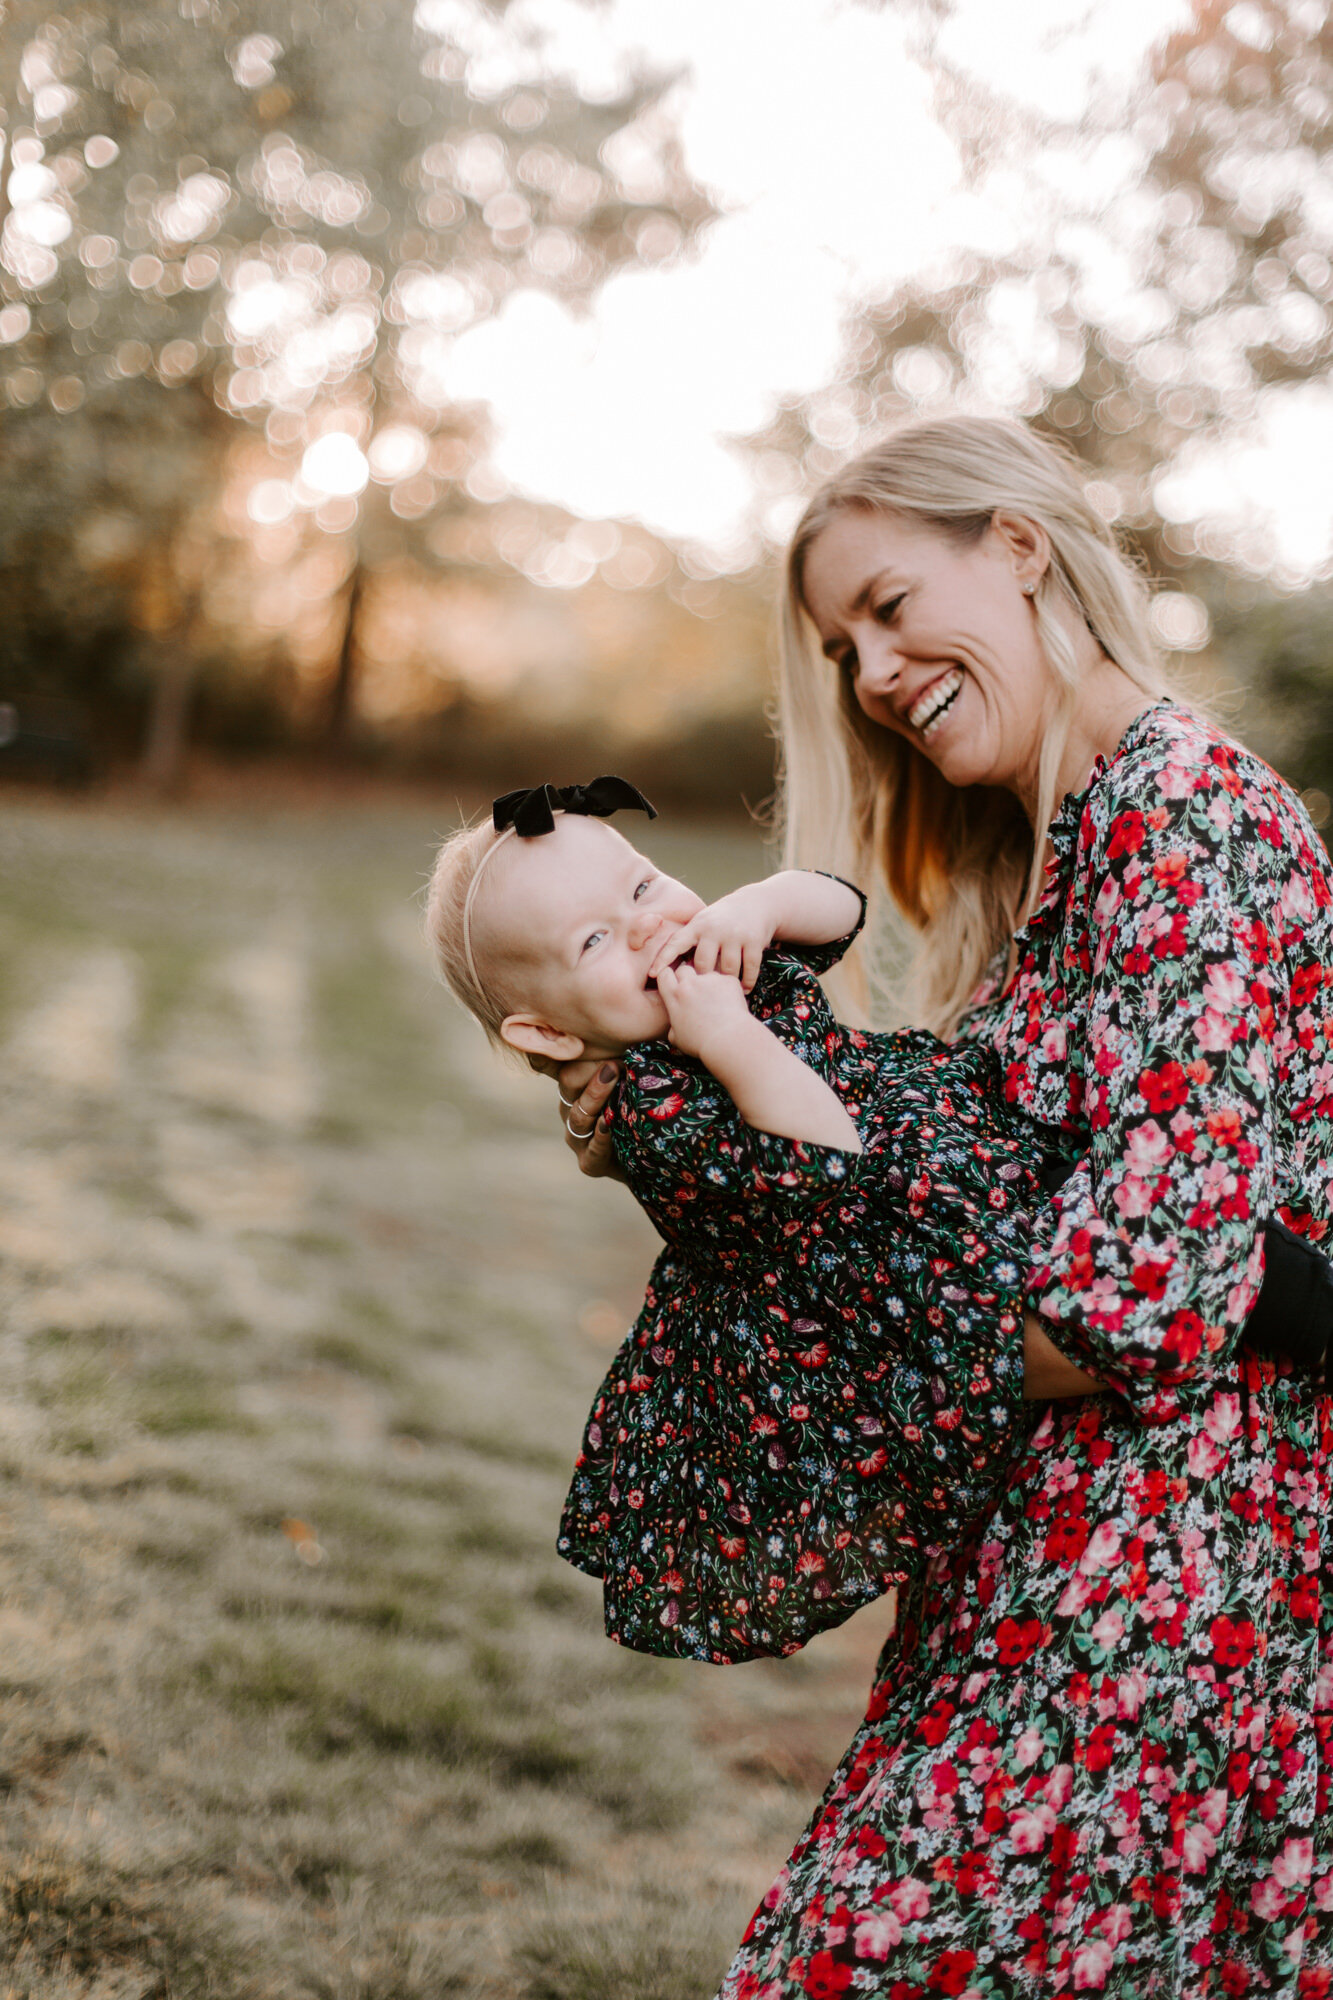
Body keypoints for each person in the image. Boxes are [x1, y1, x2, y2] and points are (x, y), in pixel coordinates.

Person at [558, 417, 1333, 1996]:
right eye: (846, 646)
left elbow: (1157, 1286)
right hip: (1059, 1547)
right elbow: (959, 1181)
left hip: (1170, 1576)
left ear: (1022, 548)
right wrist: (681, 1112)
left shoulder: (1189, 813)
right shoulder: (1067, 846)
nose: (874, 671)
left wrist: (829, 1344)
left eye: (894, 605)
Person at [425, 779, 1054, 1664]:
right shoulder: (653, 1111)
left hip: (922, 1173)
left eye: (642, 885)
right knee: (1081, 1309)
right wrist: (728, 1037)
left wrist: (761, 905)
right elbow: (830, 1155)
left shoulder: (711, 963)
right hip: (872, 1277)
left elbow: (839, 913)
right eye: (596, 939)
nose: (647, 924)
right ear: (553, 1034)